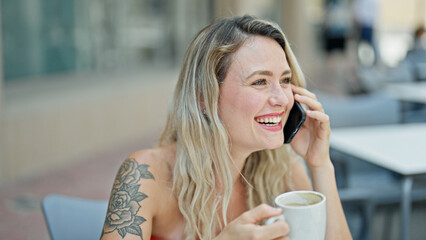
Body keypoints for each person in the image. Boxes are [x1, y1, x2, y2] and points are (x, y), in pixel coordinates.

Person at [100, 15, 352, 240]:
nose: (282, 99)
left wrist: (320, 164)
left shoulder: (282, 169)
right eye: (260, 81)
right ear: (204, 97)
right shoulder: (145, 174)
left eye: (285, 80)